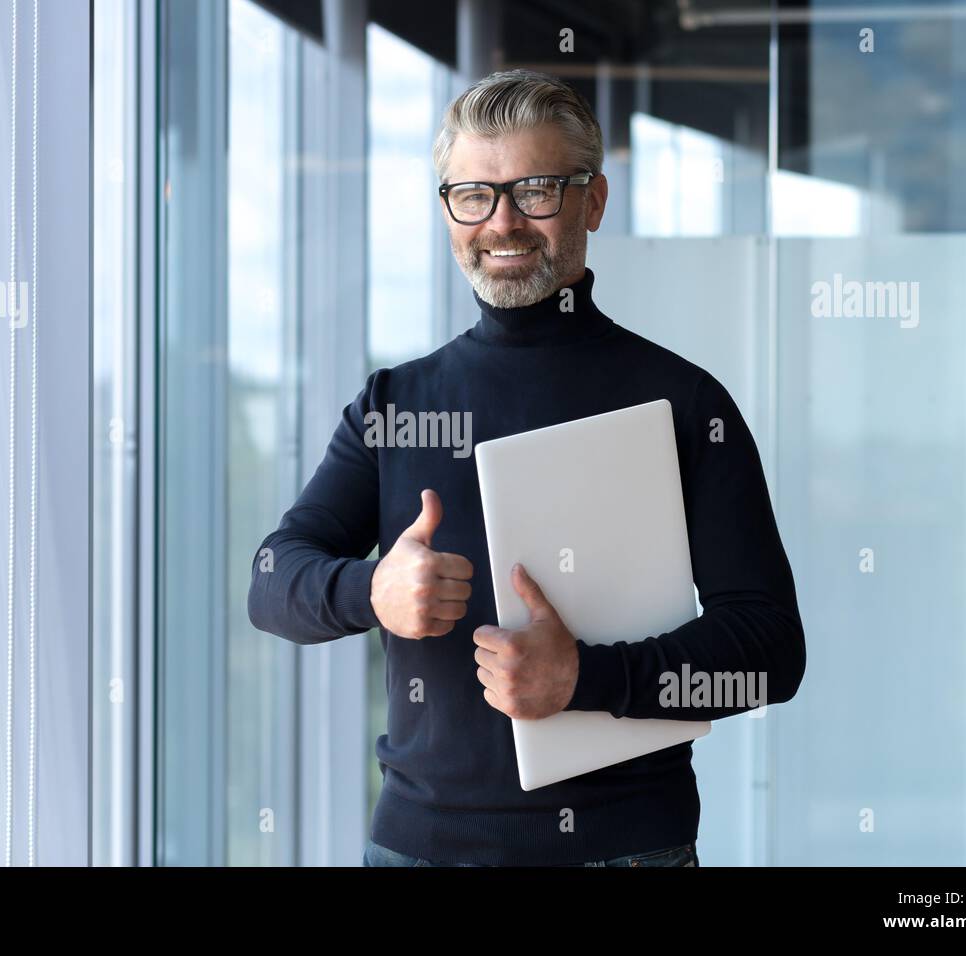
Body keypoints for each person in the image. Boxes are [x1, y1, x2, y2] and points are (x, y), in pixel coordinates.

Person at [247, 68, 805, 867]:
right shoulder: (395, 403)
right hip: (419, 850)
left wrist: (587, 678)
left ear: (594, 202)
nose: (502, 221)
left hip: (627, 850)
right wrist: (368, 590)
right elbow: (271, 582)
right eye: (473, 193)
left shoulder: (685, 403)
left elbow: (770, 652)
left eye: (536, 189)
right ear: (449, 213)